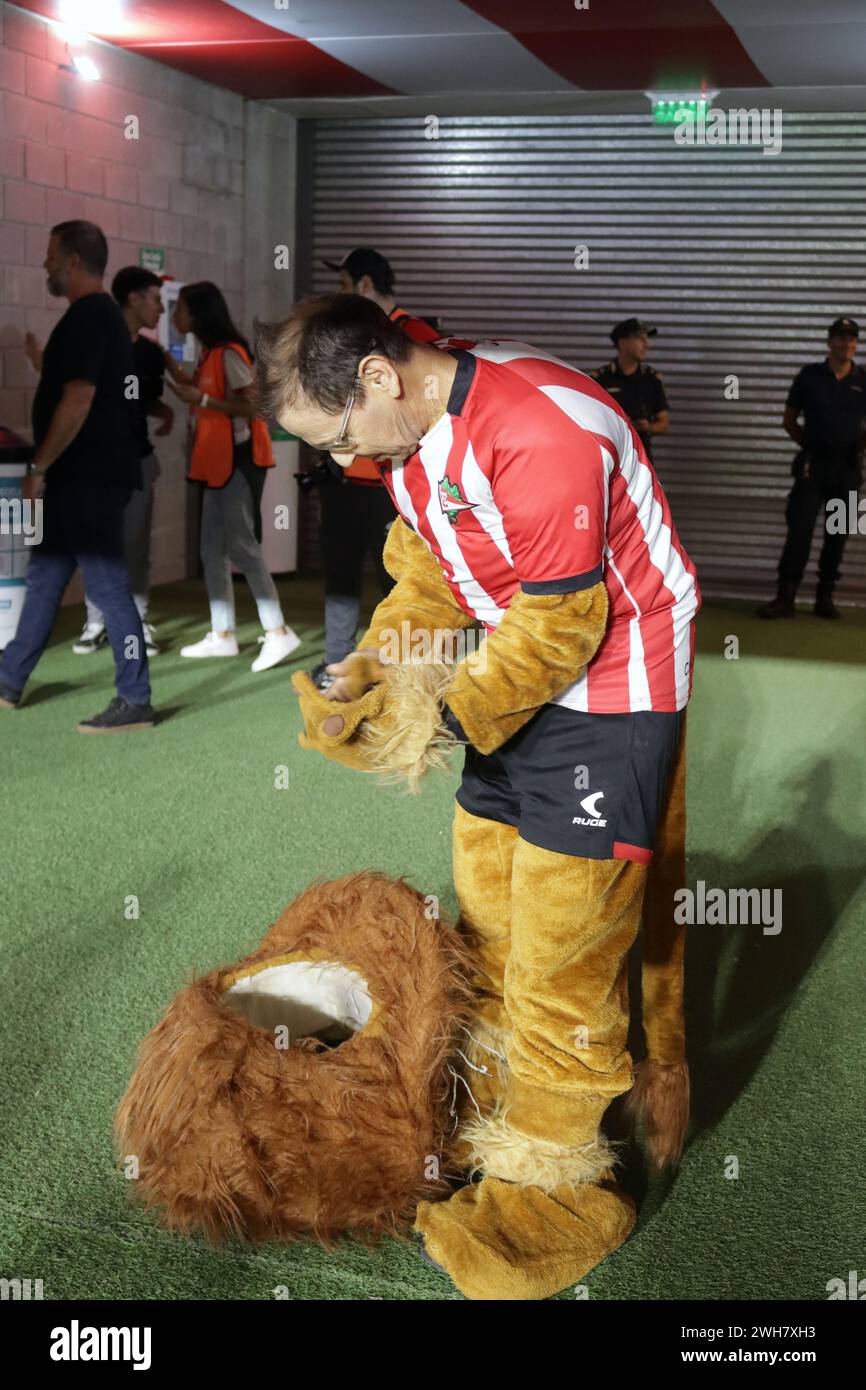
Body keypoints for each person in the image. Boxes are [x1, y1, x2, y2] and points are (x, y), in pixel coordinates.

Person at [255, 295, 700, 1299]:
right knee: (490, 926)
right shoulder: (407, 440)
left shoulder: (540, 429)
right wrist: (372, 671)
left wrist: (438, 718)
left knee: (563, 952)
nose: (333, 463)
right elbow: (427, 576)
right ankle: (499, 1127)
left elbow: (562, 628)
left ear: (376, 377)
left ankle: (555, 1192)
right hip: (514, 681)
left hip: (609, 688)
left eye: (330, 440)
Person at [0, 220, 153, 732]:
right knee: (45, 579)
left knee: (108, 586)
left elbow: (80, 397)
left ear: (71, 261)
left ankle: (135, 699)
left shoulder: (91, 315)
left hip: (89, 479)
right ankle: (7, 680)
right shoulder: (89, 319)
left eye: (49, 256)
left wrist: (39, 467)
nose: (44, 264)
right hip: (79, 480)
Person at [310, 248, 442, 691]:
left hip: (393, 492)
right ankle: (337, 666)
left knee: (403, 581)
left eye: (345, 284)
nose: (339, 293)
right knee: (340, 575)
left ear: (366, 286)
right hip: (346, 483)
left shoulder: (414, 332)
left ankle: (404, 670)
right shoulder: (354, 339)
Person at [27, 267, 173, 658]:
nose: (161, 308)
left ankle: (134, 641)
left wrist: (164, 412)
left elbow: (119, 398)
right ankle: (93, 626)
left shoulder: (144, 351)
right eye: (155, 298)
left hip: (126, 463)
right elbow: (84, 392)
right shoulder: (100, 333)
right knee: (77, 562)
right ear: (133, 299)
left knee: (126, 552)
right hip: (88, 469)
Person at [165, 282, 301, 672]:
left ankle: (278, 632)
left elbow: (252, 405)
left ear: (197, 314)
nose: (175, 315)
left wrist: (203, 401)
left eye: (181, 309)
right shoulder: (210, 354)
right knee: (211, 549)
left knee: (242, 547)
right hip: (215, 465)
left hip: (239, 462)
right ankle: (222, 634)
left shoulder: (230, 353)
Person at [758, 316, 866, 620]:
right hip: (812, 468)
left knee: (839, 532)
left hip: (847, 470)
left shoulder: (863, 379)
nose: (847, 344)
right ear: (830, 342)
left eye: (852, 339)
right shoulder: (809, 376)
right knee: (800, 531)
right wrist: (812, 446)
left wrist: (857, 447)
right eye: (841, 338)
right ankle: (785, 596)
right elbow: (789, 419)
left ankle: (825, 597)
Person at [589, 317, 669, 461]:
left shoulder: (652, 380)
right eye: (640, 339)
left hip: (641, 460)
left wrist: (647, 427)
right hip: (608, 457)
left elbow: (663, 423)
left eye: (647, 339)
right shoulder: (599, 379)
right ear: (623, 343)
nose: (647, 345)